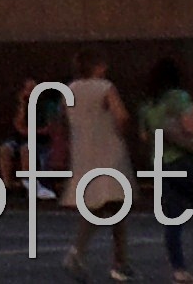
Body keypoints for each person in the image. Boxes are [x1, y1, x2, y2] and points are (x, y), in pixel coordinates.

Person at [131, 61, 193, 284]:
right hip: (183, 161)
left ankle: (179, 269)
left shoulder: (147, 106)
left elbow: (143, 136)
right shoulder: (179, 98)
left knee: (172, 219)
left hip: (159, 163)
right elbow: (190, 127)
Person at [51, 54, 134, 284]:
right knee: (115, 204)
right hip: (109, 150)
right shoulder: (105, 87)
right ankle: (109, 260)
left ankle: (115, 260)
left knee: (97, 203)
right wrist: (120, 129)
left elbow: (62, 121)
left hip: (83, 153)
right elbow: (122, 116)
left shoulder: (70, 89)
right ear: (97, 66)